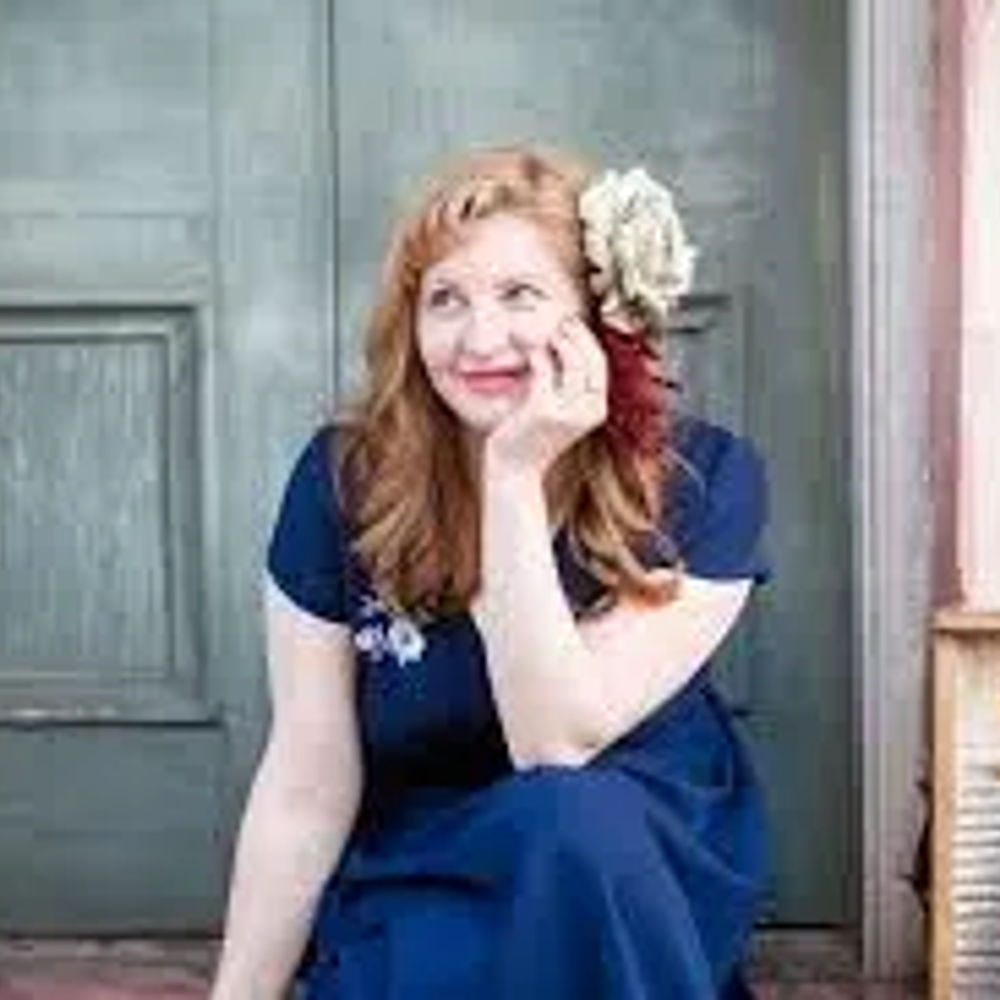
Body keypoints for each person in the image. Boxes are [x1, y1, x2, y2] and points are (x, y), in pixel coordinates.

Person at [210, 145, 773, 999]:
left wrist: (511, 477)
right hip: (433, 869)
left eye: (520, 296)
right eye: (446, 300)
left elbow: (554, 744)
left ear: (596, 318)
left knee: (570, 817)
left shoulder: (704, 481)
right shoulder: (344, 482)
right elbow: (307, 777)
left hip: (623, 869)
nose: (479, 339)